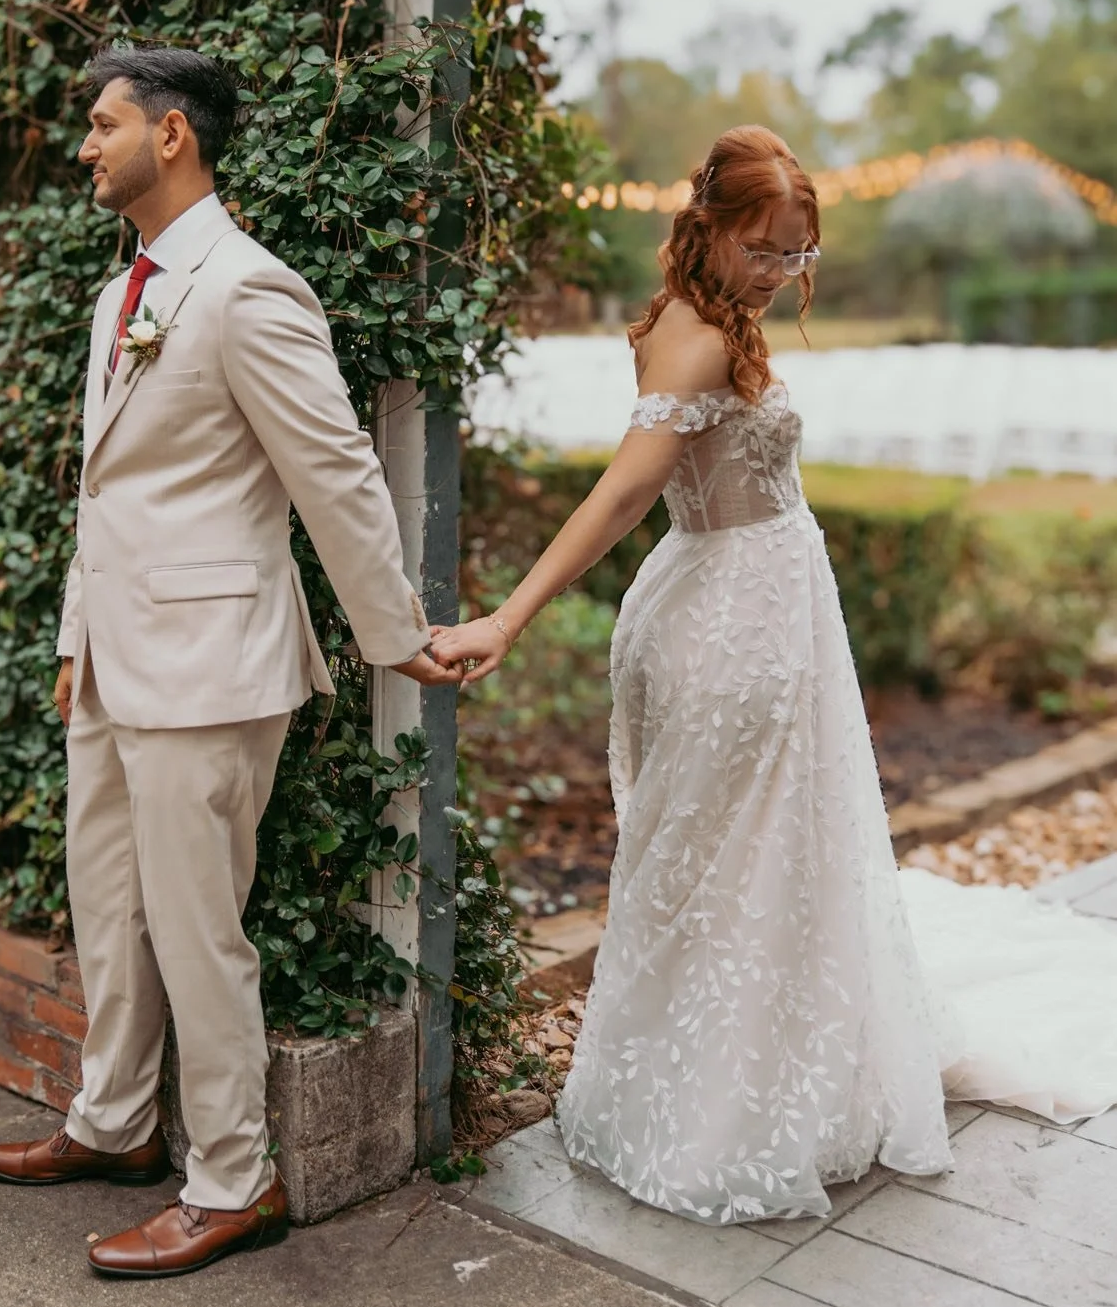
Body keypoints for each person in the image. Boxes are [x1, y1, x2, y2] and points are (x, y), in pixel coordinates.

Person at [429, 125, 1117, 1224]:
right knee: (731, 853)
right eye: (766, 249)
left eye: (798, 255)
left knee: (754, 851)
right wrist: (509, 617)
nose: (784, 273)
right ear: (708, 227)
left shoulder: (687, 318)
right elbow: (620, 493)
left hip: (756, 603)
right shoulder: (697, 341)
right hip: (732, 623)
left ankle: (750, 1066)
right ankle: (720, 1102)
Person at [0, 46, 459, 1277]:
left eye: (102, 124)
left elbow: (336, 470)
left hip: (211, 665)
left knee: (199, 929)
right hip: (115, 662)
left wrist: (394, 635)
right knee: (111, 903)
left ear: (173, 134)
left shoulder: (247, 290)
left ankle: (234, 1176)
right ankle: (114, 1119)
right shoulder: (118, 293)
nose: (85, 146)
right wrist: (76, 640)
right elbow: (107, 492)